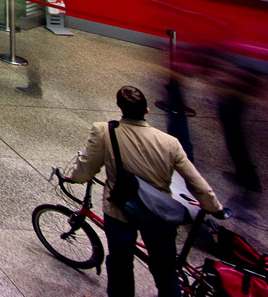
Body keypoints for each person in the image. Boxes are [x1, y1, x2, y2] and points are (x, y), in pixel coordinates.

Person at [66, 85, 225, 297]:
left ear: (119, 108)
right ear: (147, 110)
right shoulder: (170, 143)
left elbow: (86, 170)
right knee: (165, 270)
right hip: (159, 214)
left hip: (120, 209)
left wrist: (74, 178)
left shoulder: (104, 131)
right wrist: (214, 207)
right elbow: (196, 182)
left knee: (121, 264)